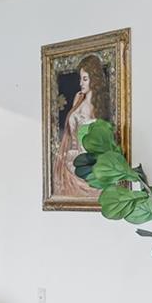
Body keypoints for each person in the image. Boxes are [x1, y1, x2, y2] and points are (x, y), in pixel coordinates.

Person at [51, 54, 109, 199]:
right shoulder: (78, 98)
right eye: (80, 79)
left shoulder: (98, 107)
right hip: (69, 154)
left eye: (85, 79)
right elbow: (71, 130)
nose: (81, 83)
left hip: (83, 159)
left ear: (94, 80)